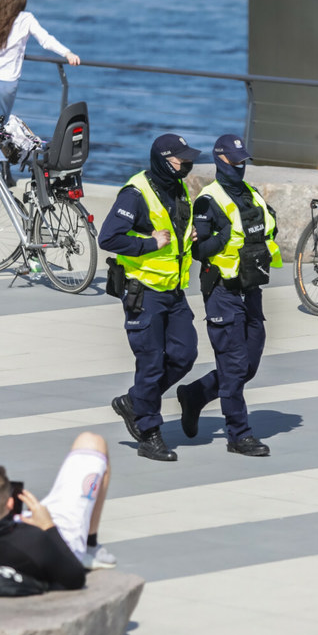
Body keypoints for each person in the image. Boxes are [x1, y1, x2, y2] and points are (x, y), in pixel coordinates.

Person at [176, 135, 283, 457]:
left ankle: (195, 394)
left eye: (243, 161)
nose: (239, 166)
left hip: (251, 289)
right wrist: (222, 239)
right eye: (234, 161)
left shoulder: (250, 195)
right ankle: (239, 434)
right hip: (222, 291)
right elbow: (198, 250)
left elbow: (267, 228)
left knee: (248, 365)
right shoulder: (208, 200)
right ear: (220, 160)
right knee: (235, 366)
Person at [100, 134, 200, 462]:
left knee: (185, 355)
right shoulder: (135, 194)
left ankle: (134, 402)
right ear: (162, 160)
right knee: (151, 363)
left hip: (173, 289)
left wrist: (191, 236)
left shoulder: (177, 188)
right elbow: (109, 237)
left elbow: (176, 229)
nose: (187, 166)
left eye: (188, 161)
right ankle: (149, 434)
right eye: (181, 161)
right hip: (144, 293)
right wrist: (148, 244)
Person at [0, 431, 115, 590]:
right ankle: (90, 546)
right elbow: (75, 577)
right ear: (10, 503)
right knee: (92, 441)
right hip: (62, 542)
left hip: (14, 531)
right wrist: (47, 524)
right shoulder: (36, 540)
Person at [0, 0, 81, 143]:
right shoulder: (26, 19)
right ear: (21, 2)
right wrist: (67, 53)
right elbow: (46, 40)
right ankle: (1, 165)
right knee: (3, 126)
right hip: (7, 81)